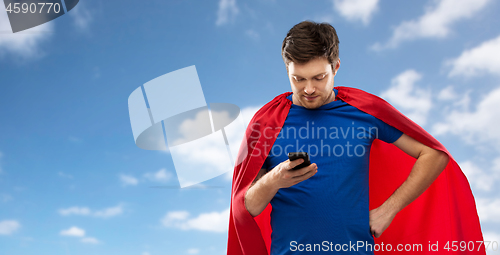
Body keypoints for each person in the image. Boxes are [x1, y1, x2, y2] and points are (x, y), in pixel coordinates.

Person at [227, 20, 485, 255]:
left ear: (336, 66)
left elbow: (433, 154)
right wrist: (274, 180)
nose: (308, 89)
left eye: (319, 78)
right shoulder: (265, 123)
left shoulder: (365, 110)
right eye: (298, 79)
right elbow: (245, 208)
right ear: (287, 70)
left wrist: (389, 209)